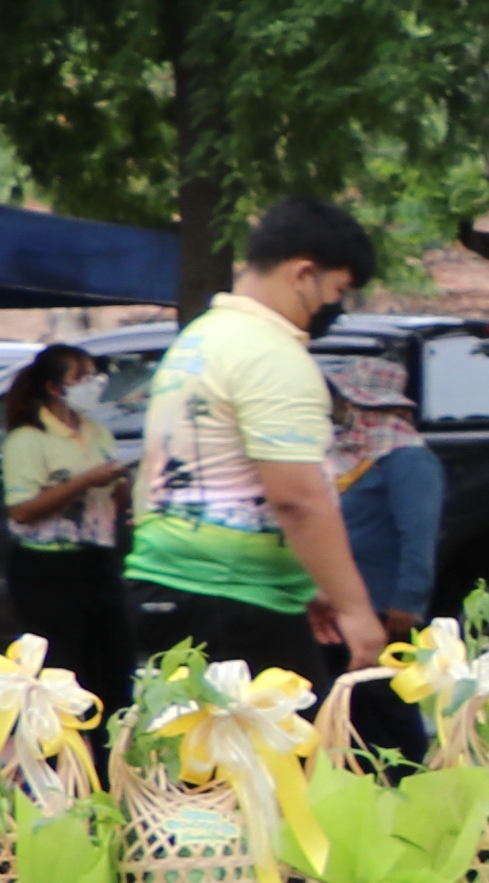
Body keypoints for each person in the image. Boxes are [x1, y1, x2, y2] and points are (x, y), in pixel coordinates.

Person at [120, 202, 382, 679]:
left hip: (170, 585)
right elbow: (298, 498)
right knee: (290, 750)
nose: (334, 309)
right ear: (304, 273)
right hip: (232, 602)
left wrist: (308, 585)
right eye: (338, 290)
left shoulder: (201, 340)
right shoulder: (270, 354)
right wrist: (355, 609)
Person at [0, 342, 124, 690]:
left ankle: (108, 741)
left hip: (97, 560)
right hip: (47, 570)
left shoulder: (98, 432)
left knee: (111, 666)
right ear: (55, 388)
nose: (92, 384)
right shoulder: (28, 439)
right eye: (81, 377)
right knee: (63, 670)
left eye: (94, 376)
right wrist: (84, 481)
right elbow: (21, 510)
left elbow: (112, 494)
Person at [329, 343, 443, 632]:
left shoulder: (410, 459)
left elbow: (418, 535)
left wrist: (407, 602)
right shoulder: (351, 456)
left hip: (379, 608)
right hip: (342, 604)